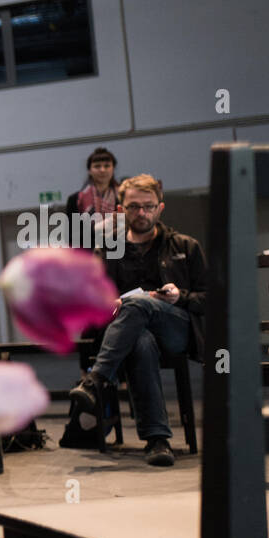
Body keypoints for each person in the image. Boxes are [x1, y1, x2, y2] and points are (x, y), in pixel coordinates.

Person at [68, 173, 206, 467]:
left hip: (176, 329)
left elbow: (212, 299)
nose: (141, 213)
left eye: (148, 206)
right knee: (140, 341)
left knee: (138, 304)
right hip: (129, 332)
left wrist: (179, 296)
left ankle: (96, 380)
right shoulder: (108, 248)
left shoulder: (185, 246)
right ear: (121, 209)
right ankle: (157, 440)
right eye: (133, 207)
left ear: (160, 208)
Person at [65, 146, 119, 228]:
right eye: (97, 166)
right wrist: (96, 229)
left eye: (107, 166)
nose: (102, 170)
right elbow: (71, 235)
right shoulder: (75, 199)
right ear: (89, 170)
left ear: (113, 168)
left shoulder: (123, 197)